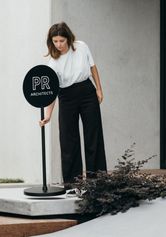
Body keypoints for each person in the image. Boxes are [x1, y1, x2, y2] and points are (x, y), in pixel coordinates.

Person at [40, 22, 107, 186]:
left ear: (68, 38)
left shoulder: (81, 46)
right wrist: (48, 115)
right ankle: (72, 182)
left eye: (61, 41)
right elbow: (52, 91)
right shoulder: (53, 62)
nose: (58, 45)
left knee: (93, 135)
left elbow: (93, 67)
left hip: (87, 92)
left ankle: (97, 181)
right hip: (66, 96)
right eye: (55, 41)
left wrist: (99, 89)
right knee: (68, 139)